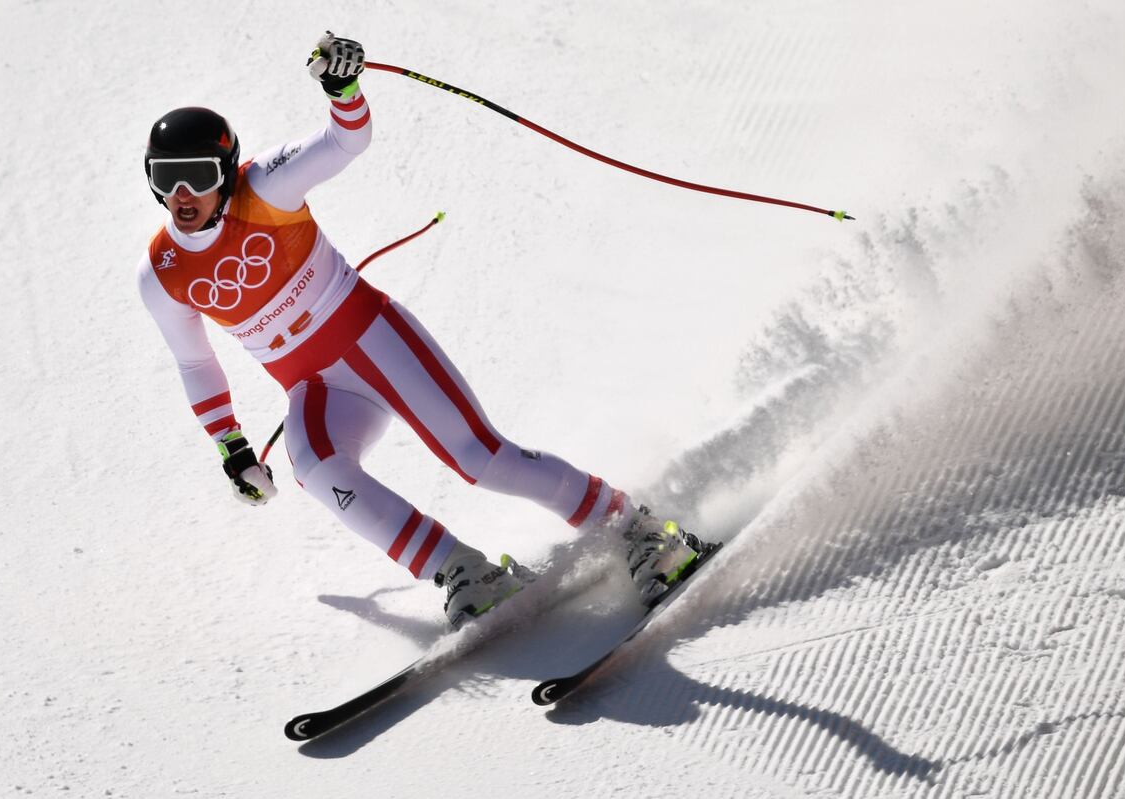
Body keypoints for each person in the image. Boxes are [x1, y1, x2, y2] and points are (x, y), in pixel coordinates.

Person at [138, 32, 707, 628]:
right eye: (166, 177)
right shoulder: (161, 273)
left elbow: (344, 140)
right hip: (316, 386)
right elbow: (194, 362)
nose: (182, 194)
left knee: (479, 458)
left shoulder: (265, 187)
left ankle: (642, 531)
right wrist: (231, 447)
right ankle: (464, 570)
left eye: (197, 174)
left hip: (373, 339)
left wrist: (342, 89)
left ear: (227, 172)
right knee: (314, 465)